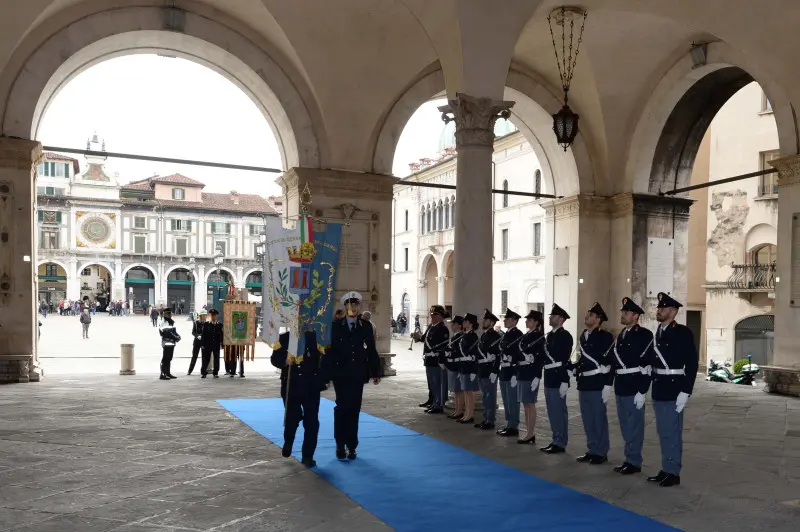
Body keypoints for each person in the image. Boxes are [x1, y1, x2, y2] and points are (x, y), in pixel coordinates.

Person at [643, 292, 698, 487]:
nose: (659, 310)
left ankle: (673, 472)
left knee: (672, 432)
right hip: (659, 387)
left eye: (663, 308)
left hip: (674, 388)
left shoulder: (682, 333)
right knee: (663, 431)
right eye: (659, 307)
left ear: (673, 311)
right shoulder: (658, 331)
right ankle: (666, 467)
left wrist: (686, 391)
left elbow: (691, 363)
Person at [327, 291, 381, 459]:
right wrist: (327, 373)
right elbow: (330, 352)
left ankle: (352, 445)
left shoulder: (366, 326)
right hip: (341, 374)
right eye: (350, 305)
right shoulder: (335, 326)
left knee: (354, 410)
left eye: (356, 305)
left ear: (359, 307)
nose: (354, 308)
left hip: (358, 374)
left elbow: (371, 350)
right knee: (342, 408)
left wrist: (376, 371)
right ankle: (340, 444)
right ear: (345, 307)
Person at [610, 297, 653, 475]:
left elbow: (647, 365)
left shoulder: (644, 335)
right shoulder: (622, 334)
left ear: (636, 316)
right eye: (622, 312)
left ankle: (634, 461)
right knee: (625, 425)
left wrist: (642, 390)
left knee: (634, 425)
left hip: (634, 385)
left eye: (626, 312)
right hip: (621, 385)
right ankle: (629, 458)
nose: (623, 315)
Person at [271, 329, 324, 467]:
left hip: (310, 386)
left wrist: (323, 378)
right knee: (291, 417)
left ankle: (308, 455)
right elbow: (274, 359)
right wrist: (284, 361)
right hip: (291, 385)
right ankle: (288, 441)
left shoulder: (316, 338)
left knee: (311, 422)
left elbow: (324, 358)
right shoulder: (284, 339)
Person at [572, 302, 615, 465]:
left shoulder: (605, 337)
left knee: (598, 419)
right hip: (584, 382)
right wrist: (574, 368)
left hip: (597, 383)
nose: (586, 317)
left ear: (598, 319)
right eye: (587, 314)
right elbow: (583, 359)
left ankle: (601, 451)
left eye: (590, 315)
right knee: (587, 418)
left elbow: (610, 362)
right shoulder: (583, 335)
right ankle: (592, 449)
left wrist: (607, 385)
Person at [540, 303, 573, 454]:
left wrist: (565, 381)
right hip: (549, 377)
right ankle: (555, 439)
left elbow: (564, 360)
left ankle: (560, 442)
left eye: (553, 316)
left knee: (559, 411)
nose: (550, 318)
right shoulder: (550, 335)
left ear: (561, 319)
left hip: (558, 377)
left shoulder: (565, 336)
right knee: (552, 411)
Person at [516, 310, 545, 444]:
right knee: (525, 403)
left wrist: (537, 376)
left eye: (530, 320)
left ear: (536, 322)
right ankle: (528, 432)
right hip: (522, 372)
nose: (527, 321)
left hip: (531, 373)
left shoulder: (539, 337)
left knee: (530, 404)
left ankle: (530, 433)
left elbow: (540, 358)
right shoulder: (526, 335)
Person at [497, 309, 523, 437]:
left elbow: (519, 354)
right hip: (504, 371)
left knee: (513, 400)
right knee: (506, 400)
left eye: (507, 319)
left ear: (514, 320)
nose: (505, 320)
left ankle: (513, 426)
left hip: (512, 371)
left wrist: (515, 374)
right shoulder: (506, 334)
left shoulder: (518, 334)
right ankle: (509, 423)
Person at [474, 309, 502, 430]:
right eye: (483, 319)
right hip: (482, 370)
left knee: (490, 396)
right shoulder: (484, 335)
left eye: (486, 320)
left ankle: (490, 420)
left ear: (491, 322)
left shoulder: (495, 336)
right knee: (485, 396)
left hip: (489, 370)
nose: (483, 321)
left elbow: (498, 355)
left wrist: (495, 371)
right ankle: (486, 418)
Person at [420, 305, 449, 413]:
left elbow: (443, 346)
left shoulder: (443, 329)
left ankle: (439, 405)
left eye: (434, 315)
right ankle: (434, 402)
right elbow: (424, 340)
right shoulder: (431, 327)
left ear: (441, 316)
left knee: (437, 383)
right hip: (429, 359)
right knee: (432, 383)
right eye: (431, 315)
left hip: (436, 360)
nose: (432, 317)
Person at [457, 313, 480, 424]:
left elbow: (475, 354)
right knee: (465, 391)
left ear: (471, 323)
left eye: (465, 321)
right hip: (464, 366)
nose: (463, 323)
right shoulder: (465, 335)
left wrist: (474, 371)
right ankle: (466, 413)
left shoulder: (473, 336)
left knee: (469, 392)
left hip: (469, 367)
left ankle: (470, 414)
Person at [445, 315, 465, 420]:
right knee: (456, 390)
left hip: (457, 365)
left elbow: (458, 352)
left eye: (453, 323)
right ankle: (457, 410)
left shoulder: (461, 336)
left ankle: (459, 411)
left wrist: (450, 353)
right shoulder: (455, 336)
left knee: (459, 390)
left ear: (458, 325)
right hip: (452, 365)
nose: (451, 325)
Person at [200, 308, 223, 378]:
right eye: (212, 315)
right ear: (210, 316)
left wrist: (222, 343)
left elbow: (221, 335)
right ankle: (203, 372)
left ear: (216, 316)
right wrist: (202, 344)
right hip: (208, 345)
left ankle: (215, 372)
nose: (213, 317)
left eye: (214, 315)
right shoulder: (206, 324)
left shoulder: (220, 325)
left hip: (216, 345)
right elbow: (203, 335)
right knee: (206, 359)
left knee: (216, 359)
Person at [158, 308, 181, 380]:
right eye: (168, 314)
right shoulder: (163, 322)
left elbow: (174, 331)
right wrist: (176, 338)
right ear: (165, 314)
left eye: (170, 313)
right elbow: (167, 332)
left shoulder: (171, 322)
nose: (170, 315)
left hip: (171, 342)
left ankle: (167, 373)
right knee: (165, 359)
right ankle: (162, 374)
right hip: (166, 342)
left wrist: (178, 336)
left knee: (169, 358)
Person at [187, 309, 207, 375]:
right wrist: (197, 336)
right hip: (197, 342)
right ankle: (190, 371)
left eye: (205, 315)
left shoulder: (206, 323)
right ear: (201, 316)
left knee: (204, 357)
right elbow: (193, 332)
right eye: (203, 315)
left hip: (203, 342)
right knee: (194, 356)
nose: (205, 316)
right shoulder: (196, 323)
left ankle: (203, 371)